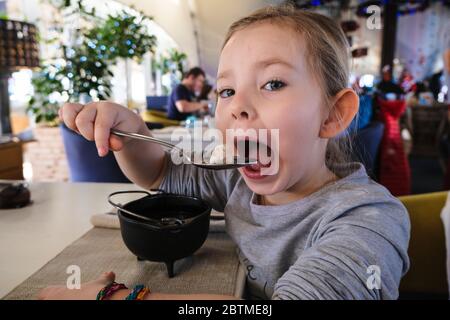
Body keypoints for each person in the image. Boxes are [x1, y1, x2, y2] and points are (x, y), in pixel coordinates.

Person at [43, 4, 410, 300]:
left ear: (332, 115)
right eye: (227, 91)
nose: (237, 106)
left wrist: (114, 297)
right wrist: (133, 130)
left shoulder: (368, 218)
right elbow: (159, 173)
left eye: (273, 83)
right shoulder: (237, 182)